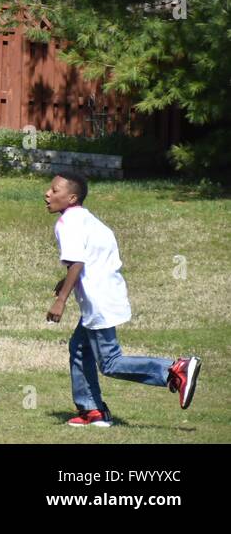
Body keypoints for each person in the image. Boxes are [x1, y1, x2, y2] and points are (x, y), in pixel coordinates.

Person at [44, 171, 200, 427]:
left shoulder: (67, 223)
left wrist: (61, 299)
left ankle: (173, 370)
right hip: (108, 292)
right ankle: (92, 410)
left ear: (71, 198)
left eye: (55, 190)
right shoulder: (87, 219)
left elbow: (78, 263)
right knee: (80, 349)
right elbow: (87, 257)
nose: (47, 194)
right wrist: (66, 282)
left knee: (110, 362)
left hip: (98, 300)